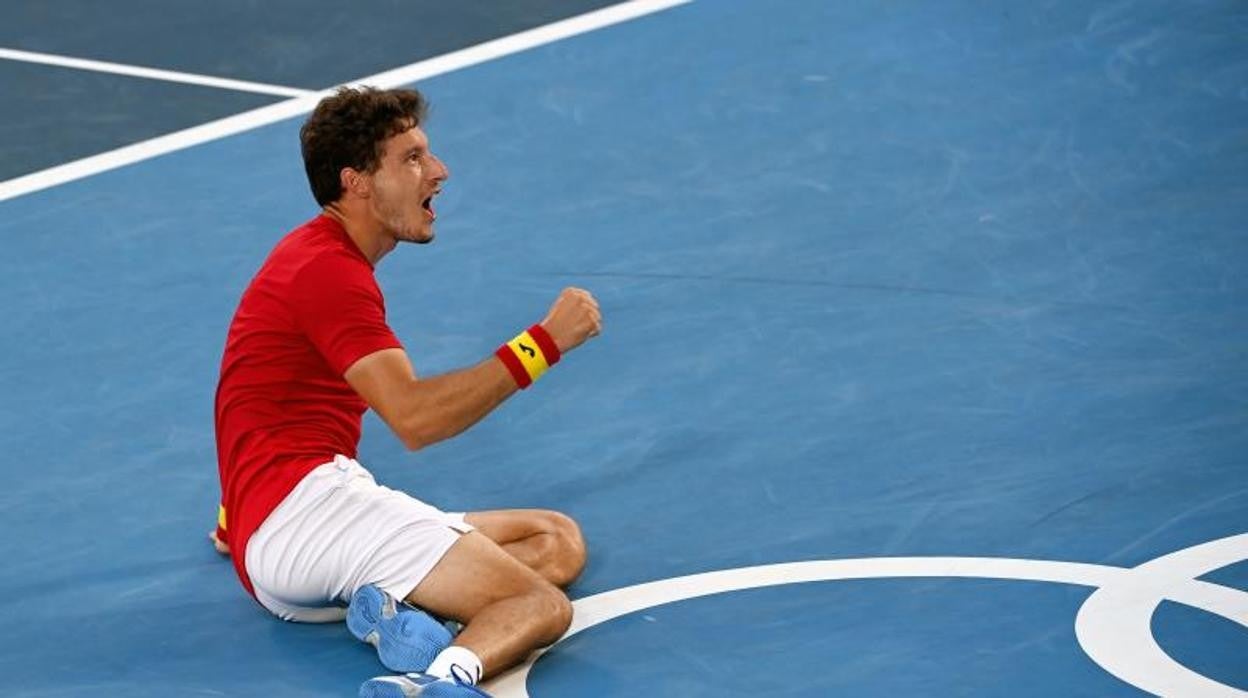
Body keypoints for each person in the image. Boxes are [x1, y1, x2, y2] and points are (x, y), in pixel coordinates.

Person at [210, 86, 602, 697]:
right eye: (413, 158)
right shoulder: (329, 274)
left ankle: (397, 619)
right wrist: (543, 343)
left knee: (555, 541)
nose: (439, 171)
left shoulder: (311, 256)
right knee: (540, 604)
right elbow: (416, 418)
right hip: (310, 516)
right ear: (357, 182)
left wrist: (238, 512)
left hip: (283, 535)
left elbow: (250, 392)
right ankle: (432, 682)